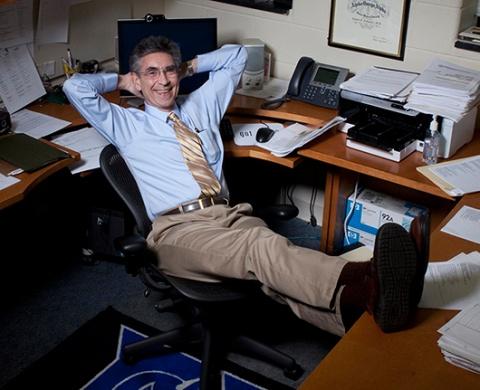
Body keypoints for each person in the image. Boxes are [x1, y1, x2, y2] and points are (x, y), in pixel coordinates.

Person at [63, 36, 426, 337]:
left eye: (169, 70)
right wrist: (122, 81)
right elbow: (74, 86)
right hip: (175, 231)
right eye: (151, 73)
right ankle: (364, 279)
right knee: (261, 247)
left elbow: (238, 55)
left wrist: (188, 66)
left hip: (227, 213)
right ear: (138, 80)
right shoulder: (125, 124)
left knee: (272, 264)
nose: (162, 81)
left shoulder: (201, 106)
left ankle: (363, 311)